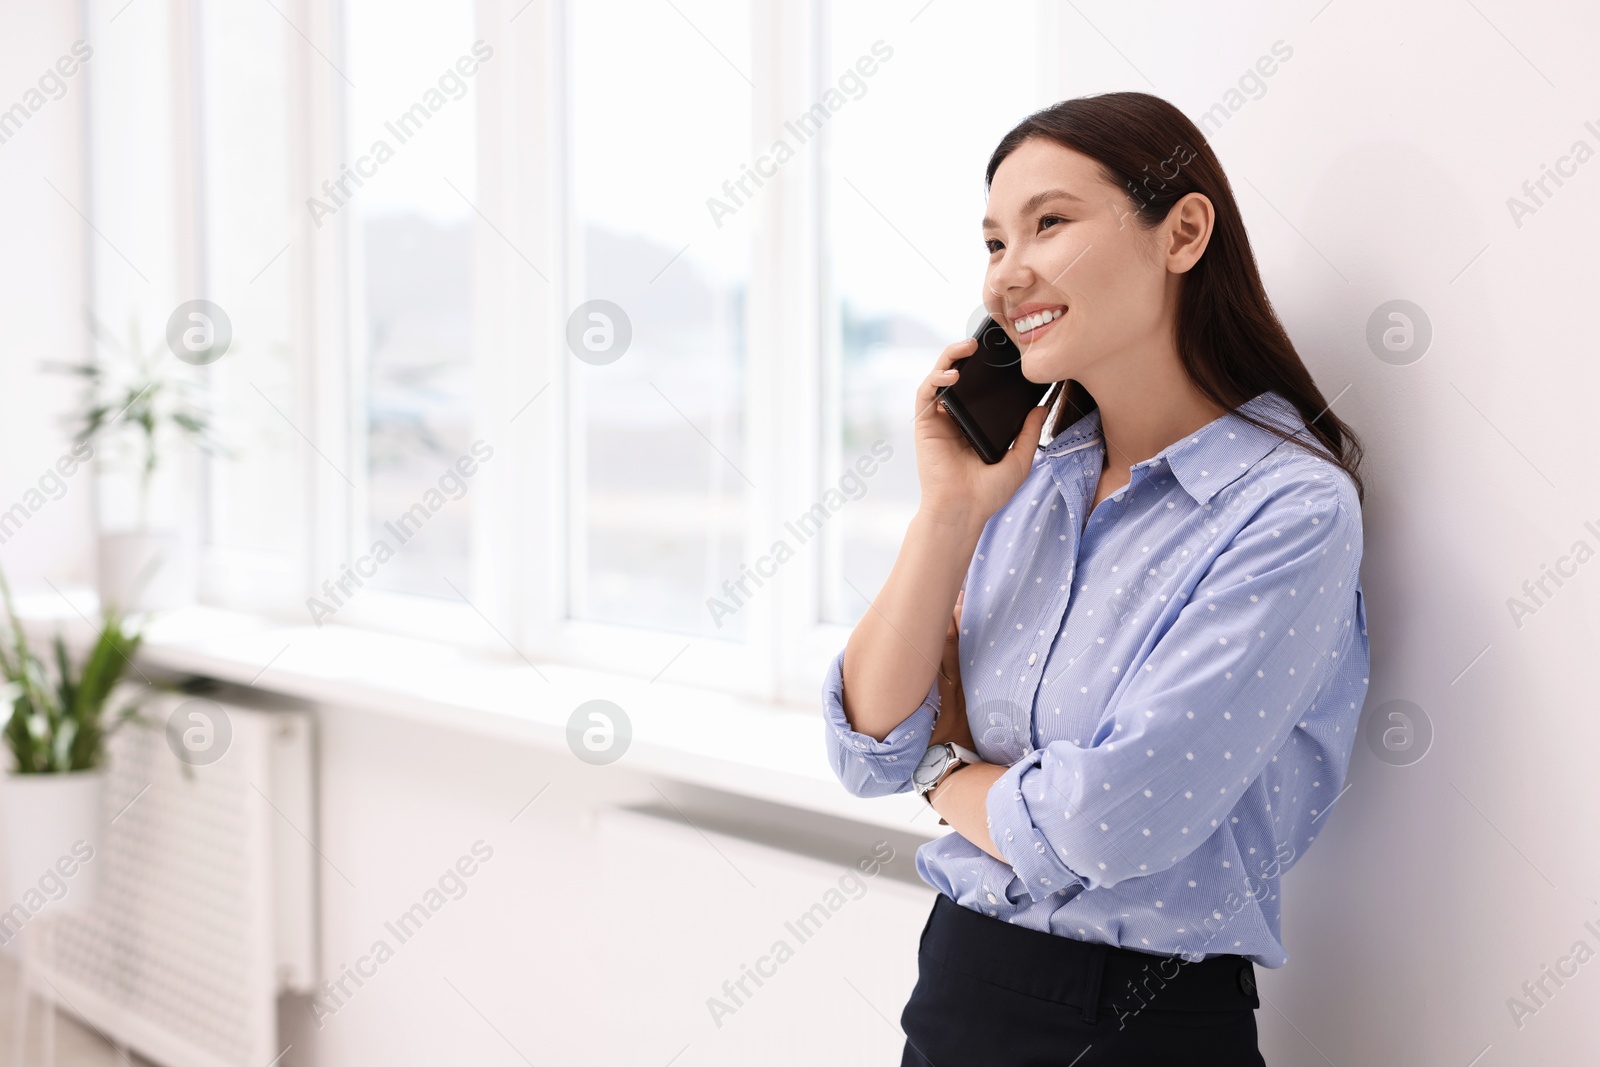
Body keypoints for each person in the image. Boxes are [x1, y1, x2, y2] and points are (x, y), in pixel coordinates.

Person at [820, 91, 1370, 1065]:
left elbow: (1108, 825)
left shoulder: (1284, 508)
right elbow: (866, 741)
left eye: (1049, 222)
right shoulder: (1027, 482)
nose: (1006, 274)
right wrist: (949, 511)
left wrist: (944, 761)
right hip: (958, 982)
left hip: (1135, 1020)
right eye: (993, 242)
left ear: (1183, 233)